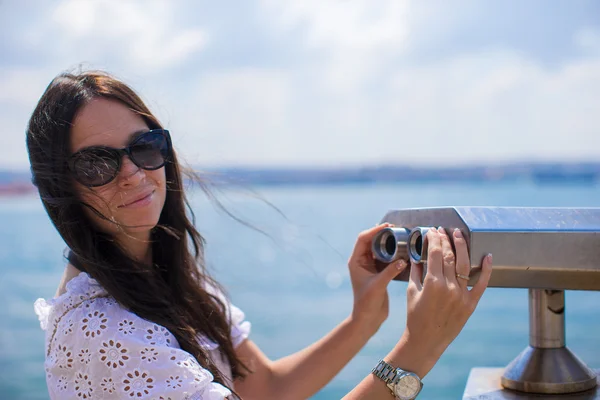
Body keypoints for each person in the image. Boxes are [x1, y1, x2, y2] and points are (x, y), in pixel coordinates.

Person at [29, 70, 493, 400]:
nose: (132, 172)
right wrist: (421, 347)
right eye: (97, 164)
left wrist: (364, 319)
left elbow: (266, 388)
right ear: (61, 189)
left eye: (144, 147)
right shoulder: (102, 331)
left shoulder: (161, 278)